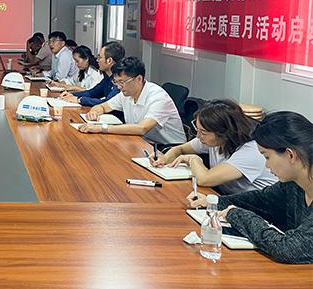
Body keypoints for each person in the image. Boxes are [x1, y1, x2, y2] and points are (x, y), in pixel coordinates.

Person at [188, 111, 313, 264]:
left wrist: (236, 214)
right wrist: (214, 202)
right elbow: (261, 200)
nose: (267, 165)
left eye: (267, 157)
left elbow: (289, 249)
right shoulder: (293, 185)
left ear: (290, 155)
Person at [152, 100, 277, 194]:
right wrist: (164, 159)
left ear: (224, 133)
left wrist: (193, 159)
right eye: (198, 130)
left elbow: (204, 179)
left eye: (203, 132)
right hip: (225, 197)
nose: (198, 136)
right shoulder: (213, 140)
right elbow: (180, 149)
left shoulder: (251, 152)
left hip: (257, 210)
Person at [78, 56, 186, 146]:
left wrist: (101, 128)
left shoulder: (158, 97)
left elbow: (142, 128)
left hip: (169, 148)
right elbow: (103, 106)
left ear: (139, 79)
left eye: (122, 82)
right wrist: (94, 112)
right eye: (116, 82)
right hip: (142, 142)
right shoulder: (126, 94)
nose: (119, 87)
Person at [61, 40, 125, 106]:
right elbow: (92, 93)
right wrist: (72, 94)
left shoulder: (120, 80)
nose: (97, 60)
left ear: (109, 61)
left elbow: (107, 103)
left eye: (100, 57)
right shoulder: (108, 78)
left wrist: (79, 100)